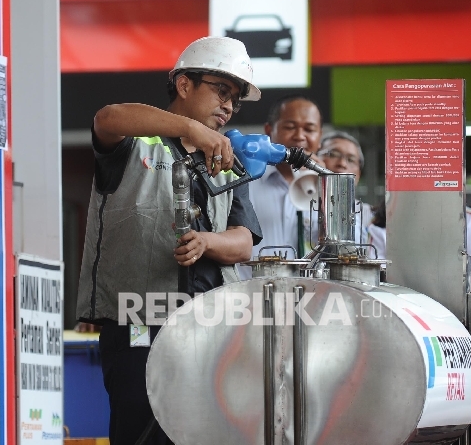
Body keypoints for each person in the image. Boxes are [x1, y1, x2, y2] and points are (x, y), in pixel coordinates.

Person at [75, 36, 263, 445]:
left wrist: (207, 242)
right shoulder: (134, 142)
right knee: (142, 431)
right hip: (138, 322)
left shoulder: (227, 162)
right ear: (183, 84)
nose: (229, 106)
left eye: (236, 99)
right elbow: (107, 118)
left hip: (211, 326)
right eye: (221, 91)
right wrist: (193, 129)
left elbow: (244, 242)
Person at [248, 95, 323, 261]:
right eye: (290, 127)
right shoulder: (247, 180)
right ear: (269, 131)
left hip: (308, 286)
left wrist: (326, 188)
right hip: (252, 285)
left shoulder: (325, 188)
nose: (300, 136)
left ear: (320, 136)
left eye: (309, 130)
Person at [318, 131, 373, 243]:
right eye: (333, 154)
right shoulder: (296, 208)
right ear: (316, 159)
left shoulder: (371, 217)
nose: (342, 163)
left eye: (351, 160)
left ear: (359, 174)